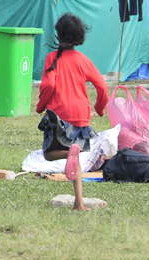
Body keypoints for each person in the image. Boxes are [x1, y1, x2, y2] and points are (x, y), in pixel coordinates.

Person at [36, 13, 108, 211]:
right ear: (79, 37)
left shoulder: (52, 58)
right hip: (81, 115)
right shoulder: (83, 60)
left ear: (58, 34)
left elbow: (49, 85)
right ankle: (79, 203)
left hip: (60, 116)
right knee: (73, 160)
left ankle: (69, 152)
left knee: (49, 154)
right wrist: (99, 109)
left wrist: (41, 106)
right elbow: (102, 86)